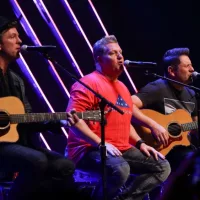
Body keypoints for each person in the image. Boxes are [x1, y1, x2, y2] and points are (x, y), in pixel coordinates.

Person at [66, 35, 171, 200]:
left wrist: (140, 143)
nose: (120, 56)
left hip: (120, 148)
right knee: (121, 169)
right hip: (88, 148)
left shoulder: (122, 87)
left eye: (120, 52)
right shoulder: (87, 84)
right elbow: (73, 120)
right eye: (113, 53)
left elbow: (125, 120)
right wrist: (100, 143)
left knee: (162, 166)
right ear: (99, 59)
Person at [0, 15, 78, 200]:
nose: (20, 41)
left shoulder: (16, 81)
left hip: (19, 144)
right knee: (37, 161)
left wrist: (58, 120)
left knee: (65, 166)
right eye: (12, 36)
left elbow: (27, 118)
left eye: (19, 36)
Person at [131, 47, 199, 198]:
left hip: (182, 148)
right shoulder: (157, 88)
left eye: (192, 65)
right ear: (171, 70)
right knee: (190, 160)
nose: (192, 69)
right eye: (187, 66)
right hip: (159, 148)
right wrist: (153, 125)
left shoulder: (191, 93)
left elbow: (195, 124)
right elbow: (128, 105)